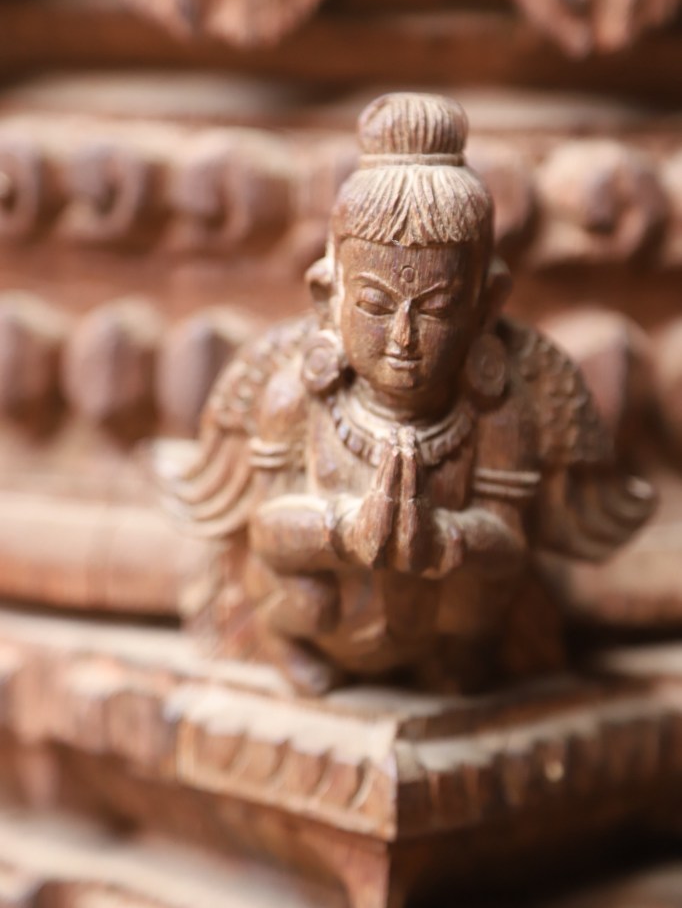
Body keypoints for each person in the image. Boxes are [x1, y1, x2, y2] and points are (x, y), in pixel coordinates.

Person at [156, 92, 654, 694]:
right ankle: (289, 643)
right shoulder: (295, 397)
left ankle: (452, 660)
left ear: (485, 305)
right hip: (327, 610)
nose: (403, 338)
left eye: (437, 309)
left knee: (474, 601)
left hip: (435, 620)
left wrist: (445, 540)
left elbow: (508, 542)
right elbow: (266, 530)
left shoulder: (498, 413)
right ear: (328, 298)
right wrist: (345, 531)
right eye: (374, 304)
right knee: (303, 596)